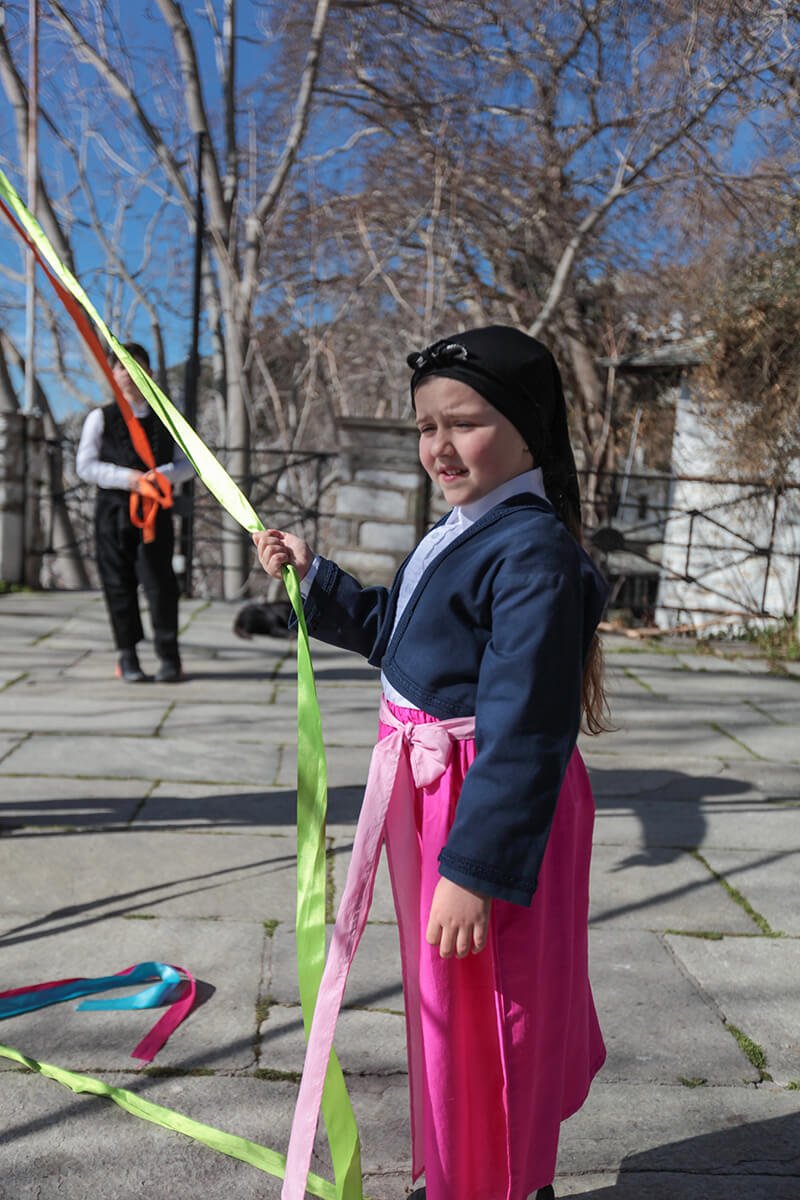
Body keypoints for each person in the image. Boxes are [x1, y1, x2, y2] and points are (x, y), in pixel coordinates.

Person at [253, 325, 609, 1200]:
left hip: (482, 806)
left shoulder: (531, 552)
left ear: (529, 429)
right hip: (438, 797)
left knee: (500, 1005)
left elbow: (526, 723)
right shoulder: (466, 530)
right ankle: (469, 1167)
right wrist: (320, 578)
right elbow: (410, 640)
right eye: (425, 428)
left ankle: (506, 1180)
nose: (438, 448)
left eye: (464, 423)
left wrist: (476, 871)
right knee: (450, 1009)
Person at [76, 342, 194, 682]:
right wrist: (128, 479)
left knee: (161, 583)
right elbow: (85, 466)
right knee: (117, 582)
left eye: (135, 366)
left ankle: (169, 655)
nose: (129, 375)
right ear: (113, 375)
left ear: (150, 373)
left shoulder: (168, 418)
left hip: (155, 512)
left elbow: (190, 464)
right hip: (113, 512)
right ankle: (127, 654)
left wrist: (161, 477)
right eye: (122, 368)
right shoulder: (101, 417)